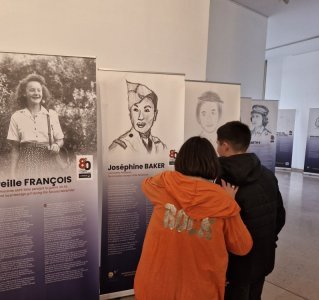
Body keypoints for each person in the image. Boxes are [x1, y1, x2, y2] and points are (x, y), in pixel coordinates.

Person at [134, 136, 252, 300]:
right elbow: (242, 246)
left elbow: (146, 183)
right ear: (212, 163)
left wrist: (167, 176)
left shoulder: (163, 186)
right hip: (200, 291)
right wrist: (230, 203)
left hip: (153, 287)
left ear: (181, 160)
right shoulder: (223, 202)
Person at [216, 121, 286, 300]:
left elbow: (220, 229)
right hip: (264, 256)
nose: (217, 148)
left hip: (236, 264)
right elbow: (280, 217)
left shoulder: (223, 181)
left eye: (218, 144)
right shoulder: (268, 174)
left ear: (225, 146)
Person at [7, 74, 64, 177]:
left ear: (43, 93)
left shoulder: (51, 114)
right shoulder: (17, 116)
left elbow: (60, 140)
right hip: (26, 166)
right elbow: (15, 149)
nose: (36, 93)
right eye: (32, 90)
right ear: (24, 93)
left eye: (39, 90)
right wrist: (12, 175)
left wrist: (57, 145)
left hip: (48, 163)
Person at [109, 81, 166, 154]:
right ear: (130, 115)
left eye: (146, 110)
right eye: (135, 110)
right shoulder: (119, 146)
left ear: (155, 115)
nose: (140, 117)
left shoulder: (160, 146)